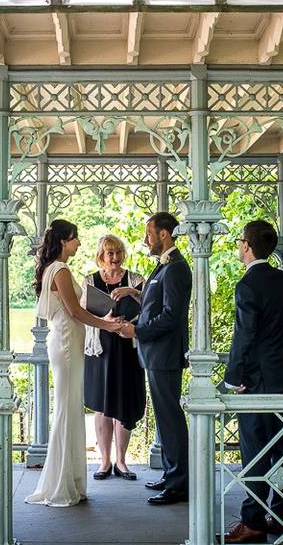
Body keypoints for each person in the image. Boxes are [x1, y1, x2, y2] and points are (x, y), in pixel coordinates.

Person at [221, 220, 283, 544]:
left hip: (255, 383)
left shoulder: (247, 286)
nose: (237, 247)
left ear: (247, 245)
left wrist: (235, 378)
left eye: (239, 242)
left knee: (254, 451)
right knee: (282, 448)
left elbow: (244, 336)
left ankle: (254, 521)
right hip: (282, 377)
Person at [25, 220, 125, 508]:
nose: (79, 244)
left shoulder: (53, 269)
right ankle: (62, 484)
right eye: (75, 239)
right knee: (68, 410)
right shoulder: (61, 270)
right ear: (63, 241)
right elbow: (75, 311)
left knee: (69, 407)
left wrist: (103, 322)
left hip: (67, 340)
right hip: (67, 342)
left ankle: (71, 480)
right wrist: (108, 327)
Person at [114, 212, 192, 506]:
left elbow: (171, 316)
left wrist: (137, 330)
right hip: (156, 354)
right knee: (164, 418)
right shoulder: (163, 268)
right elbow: (155, 304)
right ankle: (173, 474)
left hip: (165, 354)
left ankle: (179, 483)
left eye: (149, 232)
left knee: (170, 419)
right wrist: (135, 306)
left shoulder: (176, 268)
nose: (145, 238)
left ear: (164, 234)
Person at [82, 234, 146, 481]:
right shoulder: (91, 280)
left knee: (125, 404)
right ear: (101, 256)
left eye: (118, 252)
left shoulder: (136, 279)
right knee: (102, 405)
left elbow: (150, 307)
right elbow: (81, 313)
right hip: (100, 348)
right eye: (110, 253)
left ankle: (122, 461)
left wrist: (133, 292)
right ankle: (104, 461)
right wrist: (104, 321)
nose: (115, 257)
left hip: (127, 348)